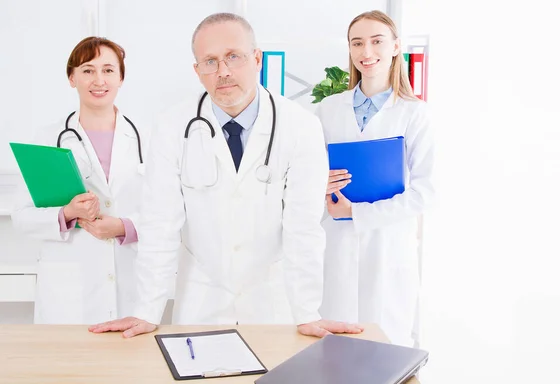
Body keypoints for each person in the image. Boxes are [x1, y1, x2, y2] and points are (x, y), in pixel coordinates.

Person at [88, 13, 363, 338]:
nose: (223, 71)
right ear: (197, 71)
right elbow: (160, 224)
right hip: (200, 296)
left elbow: (303, 228)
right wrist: (148, 309)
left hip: (273, 301)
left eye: (234, 56)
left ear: (257, 59)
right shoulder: (172, 125)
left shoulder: (301, 126)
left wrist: (306, 311)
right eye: (210, 61)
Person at [315, 10, 434, 346]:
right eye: (357, 43)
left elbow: (426, 191)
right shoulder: (327, 109)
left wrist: (357, 213)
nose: (366, 52)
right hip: (335, 246)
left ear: (396, 47)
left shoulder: (414, 113)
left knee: (385, 352)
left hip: (388, 248)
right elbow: (303, 176)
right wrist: (317, 184)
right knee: (333, 354)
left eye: (377, 41)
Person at [11, 37, 147, 324]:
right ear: (72, 78)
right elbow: (21, 217)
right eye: (87, 70)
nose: (99, 79)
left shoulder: (149, 139)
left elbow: (170, 215)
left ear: (121, 78)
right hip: (70, 291)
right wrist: (67, 213)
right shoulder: (47, 140)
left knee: (129, 367)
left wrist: (125, 226)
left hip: (131, 282)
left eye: (108, 70)